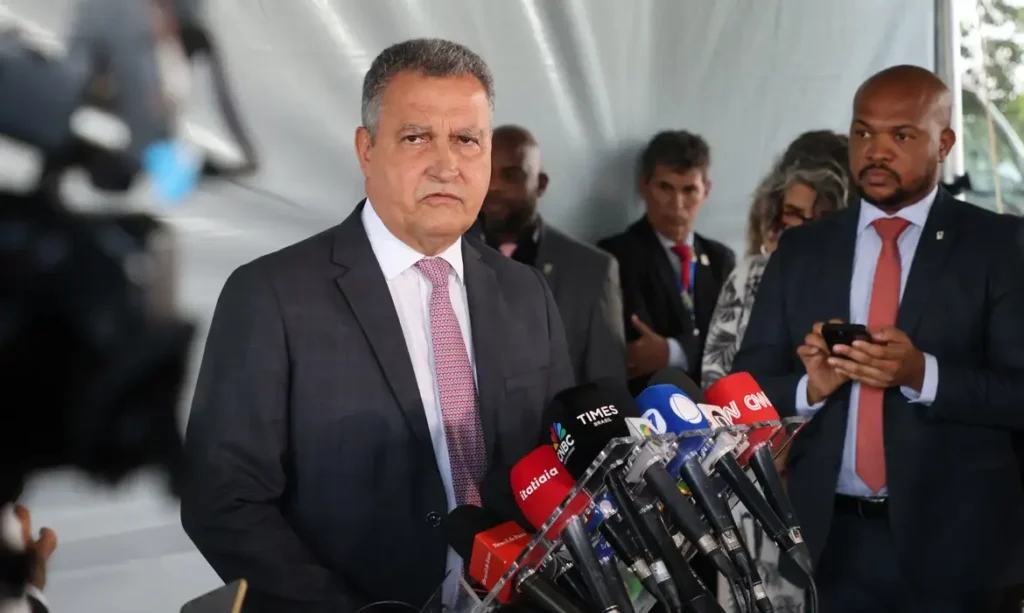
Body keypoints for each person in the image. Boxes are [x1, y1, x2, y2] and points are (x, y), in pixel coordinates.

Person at [180, 38, 575, 613]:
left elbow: (561, 462)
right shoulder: (270, 296)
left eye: (466, 140)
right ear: (366, 150)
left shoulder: (527, 293)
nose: (446, 164)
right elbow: (223, 500)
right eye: (417, 137)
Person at [733, 64, 1024, 611]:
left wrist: (922, 375)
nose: (876, 151)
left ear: (944, 143)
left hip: (962, 548)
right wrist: (809, 389)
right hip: (834, 544)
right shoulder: (803, 250)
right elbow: (744, 388)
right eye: (863, 132)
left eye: (901, 136)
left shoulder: (998, 245)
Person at [474, 124, 626, 383]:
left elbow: (606, 388)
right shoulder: (441, 256)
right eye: (486, 172)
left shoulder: (592, 270)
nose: (494, 186)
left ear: (541, 184)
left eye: (511, 175)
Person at [701, 130, 851, 389]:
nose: (804, 230)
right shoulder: (751, 274)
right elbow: (715, 381)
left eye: (821, 218)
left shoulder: (866, 277)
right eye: (794, 213)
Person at [598, 130, 736, 392]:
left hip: (716, 404)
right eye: (665, 188)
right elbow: (635, 351)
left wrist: (673, 352)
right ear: (644, 186)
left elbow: (736, 344)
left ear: (706, 191)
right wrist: (698, 348)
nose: (677, 204)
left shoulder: (722, 260)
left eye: (689, 190)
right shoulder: (614, 257)